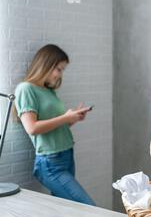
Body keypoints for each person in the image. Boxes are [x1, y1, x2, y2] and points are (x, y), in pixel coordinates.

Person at [14, 44, 95, 206]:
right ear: (45, 65)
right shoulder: (26, 89)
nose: (60, 74)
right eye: (59, 69)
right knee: (88, 207)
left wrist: (72, 119)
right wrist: (65, 118)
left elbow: (53, 127)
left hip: (66, 156)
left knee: (65, 211)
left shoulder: (48, 91)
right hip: (51, 163)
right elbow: (32, 128)